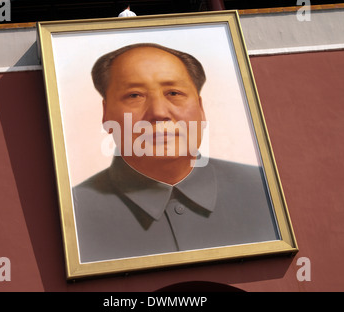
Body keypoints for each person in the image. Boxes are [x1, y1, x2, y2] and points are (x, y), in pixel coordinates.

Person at [73, 43, 279, 263]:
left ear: (201, 109)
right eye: (134, 95)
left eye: (174, 93)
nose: (159, 113)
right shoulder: (75, 213)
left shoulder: (264, 189)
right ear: (105, 114)